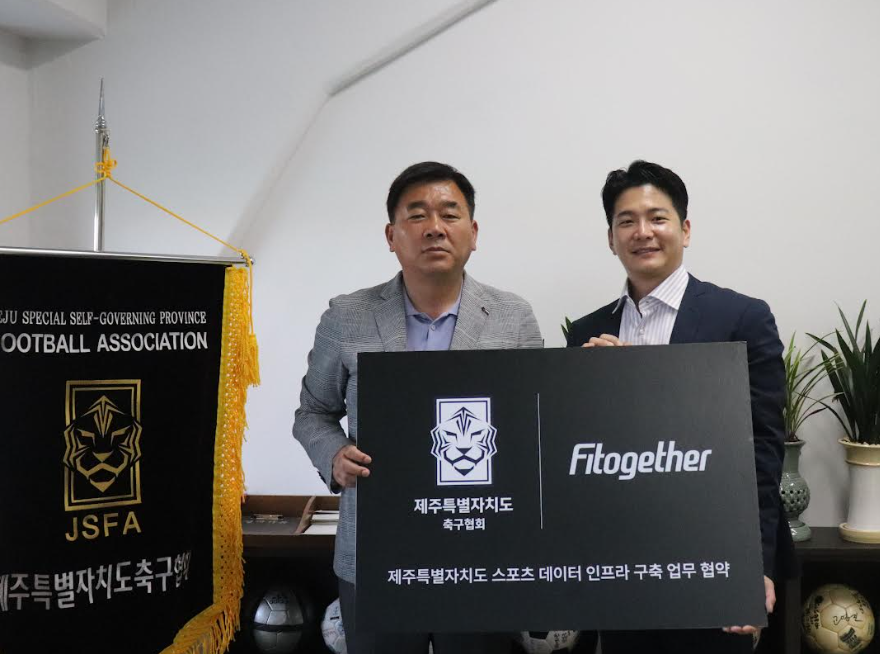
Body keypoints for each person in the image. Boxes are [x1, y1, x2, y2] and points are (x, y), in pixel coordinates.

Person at [294, 161, 543, 654]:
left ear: (473, 232)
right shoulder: (347, 316)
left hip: (483, 552)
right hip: (379, 551)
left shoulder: (513, 318)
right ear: (392, 235)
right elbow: (313, 413)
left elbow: (534, 424)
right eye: (417, 215)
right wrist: (334, 456)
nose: (434, 228)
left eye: (450, 214)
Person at [565, 160, 793, 653]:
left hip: (712, 559)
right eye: (627, 221)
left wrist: (752, 567)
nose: (643, 232)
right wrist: (588, 391)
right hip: (621, 566)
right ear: (611, 238)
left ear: (685, 230)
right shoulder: (587, 333)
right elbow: (581, 459)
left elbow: (762, 451)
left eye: (658, 218)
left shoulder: (742, 318)